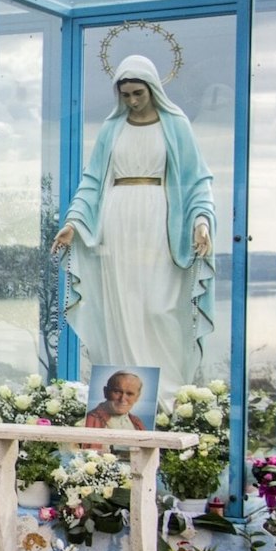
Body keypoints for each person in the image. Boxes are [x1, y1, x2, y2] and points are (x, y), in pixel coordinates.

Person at [51, 54, 216, 399]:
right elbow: (92, 180)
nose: (132, 101)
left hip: (159, 222)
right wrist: (73, 224)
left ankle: (166, 395)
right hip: (116, 222)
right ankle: (119, 396)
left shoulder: (176, 125)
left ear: (153, 89)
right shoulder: (112, 128)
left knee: (158, 307)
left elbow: (196, 179)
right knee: (119, 307)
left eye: (138, 93)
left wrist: (201, 221)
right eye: (125, 95)